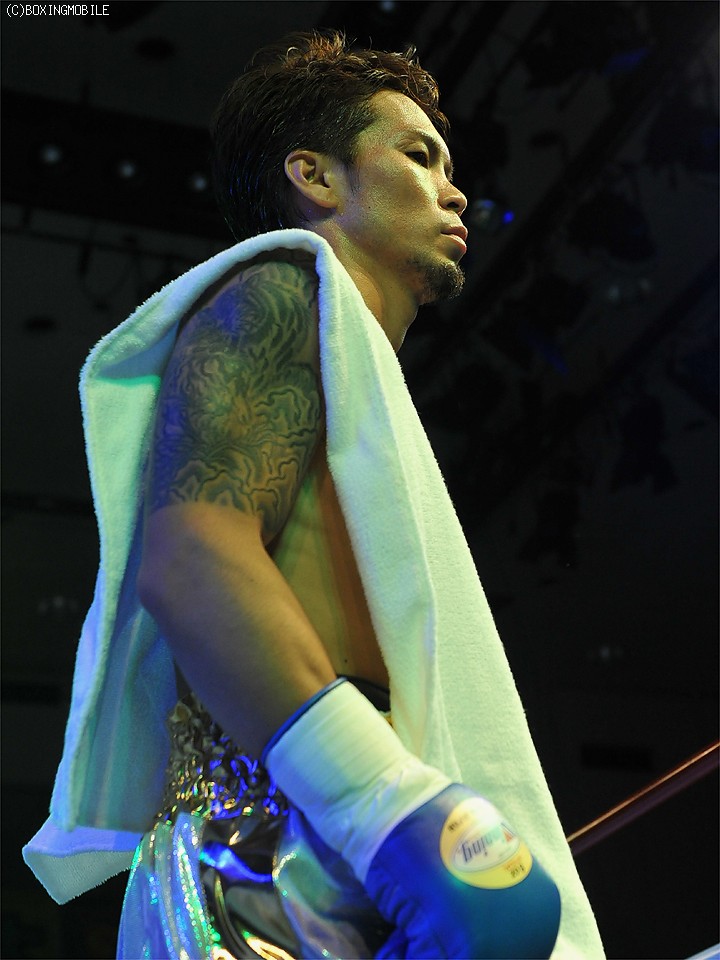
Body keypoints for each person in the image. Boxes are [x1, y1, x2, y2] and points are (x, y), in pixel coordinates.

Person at [24, 31, 605, 959]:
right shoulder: (279, 289)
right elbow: (190, 560)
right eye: (418, 155)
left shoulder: (356, 383)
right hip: (280, 849)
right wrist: (380, 802)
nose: (454, 190)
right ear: (316, 176)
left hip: (337, 831)